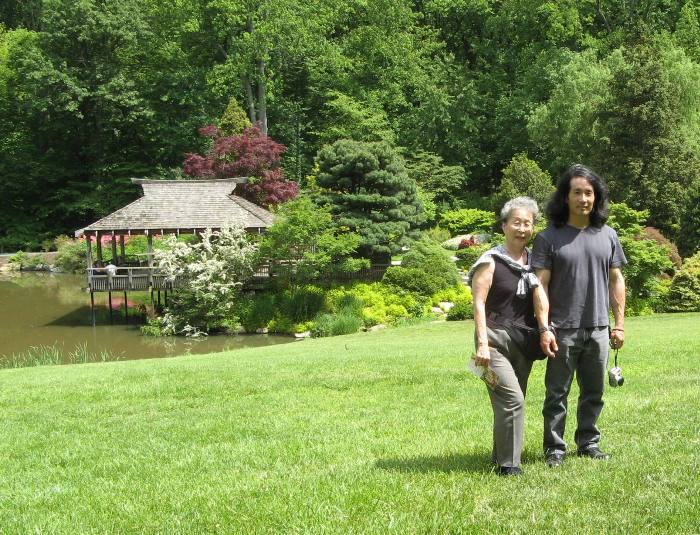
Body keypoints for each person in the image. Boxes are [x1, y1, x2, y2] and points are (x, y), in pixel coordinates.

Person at [532, 164, 626, 468]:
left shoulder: (608, 235)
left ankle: (589, 443)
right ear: (565, 197)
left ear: (595, 197)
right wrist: (545, 328)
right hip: (562, 330)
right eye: (577, 192)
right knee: (556, 393)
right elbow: (540, 285)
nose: (583, 198)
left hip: (599, 328)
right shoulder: (548, 238)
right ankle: (554, 448)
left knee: (594, 392)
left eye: (589, 192)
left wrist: (620, 325)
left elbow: (616, 281)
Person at [467, 197, 555, 477]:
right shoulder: (490, 261)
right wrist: (481, 343)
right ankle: (509, 466)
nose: (521, 228)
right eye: (516, 222)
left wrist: (545, 330)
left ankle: (499, 456)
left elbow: (541, 298)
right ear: (504, 226)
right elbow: (478, 303)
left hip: (522, 343)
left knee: (510, 403)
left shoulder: (534, 264)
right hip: (492, 341)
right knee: (513, 400)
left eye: (527, 223)